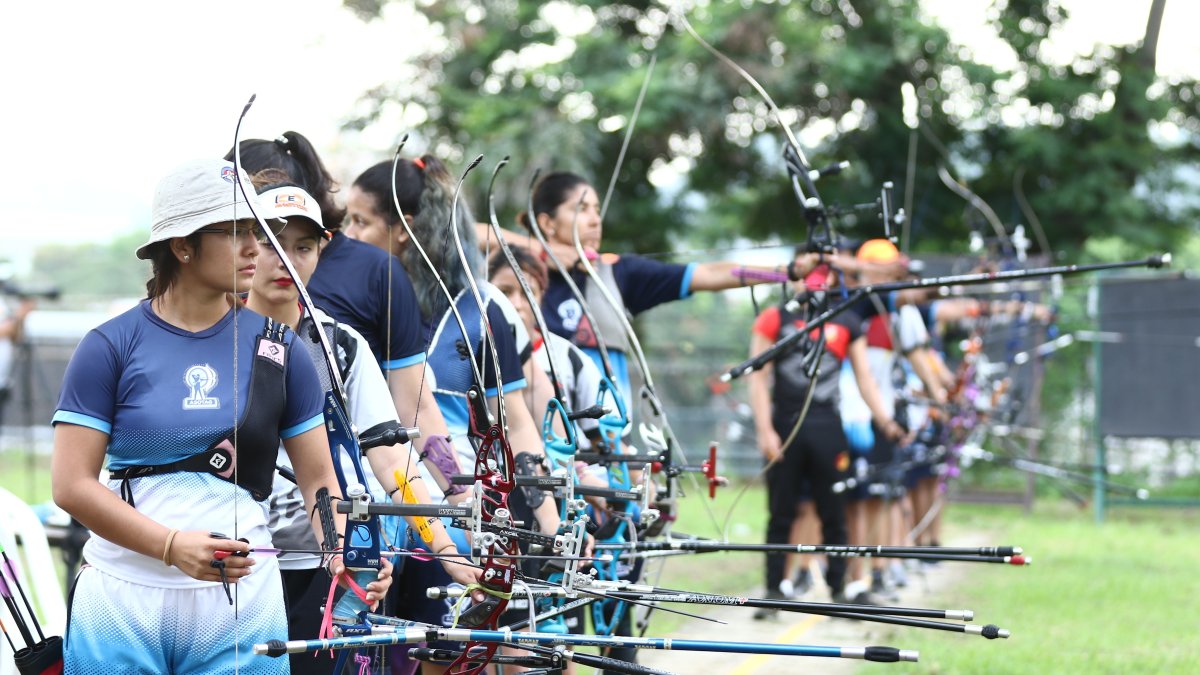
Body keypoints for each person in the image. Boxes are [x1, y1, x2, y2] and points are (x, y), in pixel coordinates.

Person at [50, 159, 389, 674]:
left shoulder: (281, 350)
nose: (256, 248)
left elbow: (320, 479)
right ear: (182, 246)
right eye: (236, 233)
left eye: (256, 231)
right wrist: (170, 546)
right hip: (120, 600)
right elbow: (71, 485)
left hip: (241, 606)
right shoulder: (109, 345)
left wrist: (343, 550)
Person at [244, 177, 478, 674]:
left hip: (337, 566)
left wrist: (444, 548)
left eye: (303, 247)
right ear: (244, 246)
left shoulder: (341, 345)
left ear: (321, 250)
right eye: (271, 244)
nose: (287, 261)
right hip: (242, 565)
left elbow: (391, 455)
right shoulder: (216, 341)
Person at [345, 155, 564, 673]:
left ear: (405, 230)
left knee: (446, 659)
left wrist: (550, 522)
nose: (346, 235)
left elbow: (516, 420)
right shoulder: (356, 301)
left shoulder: (481, 308)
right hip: (366, 510)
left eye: (360, 221)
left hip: (453, 512)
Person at [481, 171, 818, 407]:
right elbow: (469, 232)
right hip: (539, 427)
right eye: (581, 209)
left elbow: (710, 273)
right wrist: (542, 252)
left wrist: (786, 272)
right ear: (547, 222)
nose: (595, 220)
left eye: (596, 210)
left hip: (606, 435)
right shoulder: (515, 276)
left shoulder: (618, 273)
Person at [747, 253, 896, 613]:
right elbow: (757, 377)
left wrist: (887, 421)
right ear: (794, 274)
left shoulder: (846, 321)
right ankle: (773, 591)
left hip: (828, 427)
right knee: (781, 512)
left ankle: (839, 591)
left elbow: (865, 379)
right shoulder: (774, 318)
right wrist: (765, 430)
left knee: (834, 512)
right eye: (805, 271)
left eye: (821, 272)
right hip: (785, 427)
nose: (813, 279)